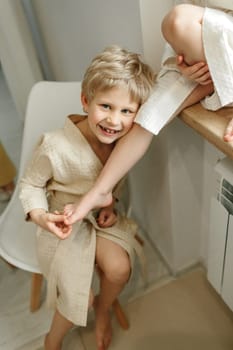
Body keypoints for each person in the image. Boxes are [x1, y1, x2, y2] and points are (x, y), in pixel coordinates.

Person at [19, 45, 155, 350]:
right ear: (85, 101)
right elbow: (29, 185)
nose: (114, 121)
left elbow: (112, 183)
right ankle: (52, 340)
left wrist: (112, 205)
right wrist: (42, 217)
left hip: (98, 216)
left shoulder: (125, 143)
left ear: (137, 113)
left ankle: (103, 311)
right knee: (78, 296)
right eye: (105, 106)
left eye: (126, 111)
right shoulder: (54, 146)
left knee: (120, 268)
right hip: (61, 221)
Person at [63, 1, 233, 224]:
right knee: (148, 113)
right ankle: (100, 191)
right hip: (204, 44)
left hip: (214, 35)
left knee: (177, 19)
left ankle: (221, 81)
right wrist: (188, 57)